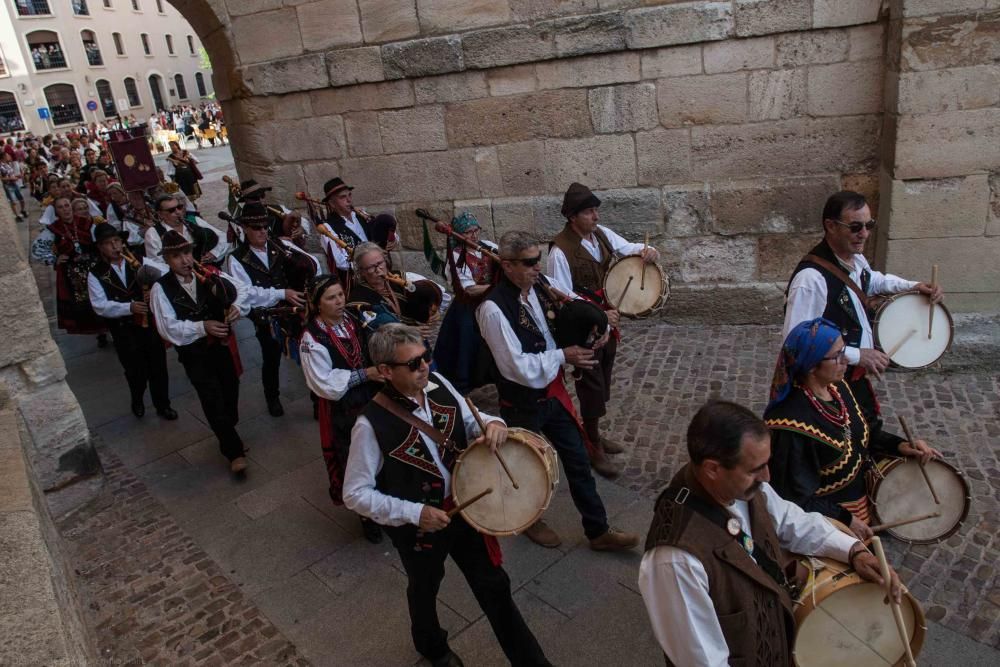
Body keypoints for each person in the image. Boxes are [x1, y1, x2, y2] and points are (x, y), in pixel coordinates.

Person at [343, 324, 550, 667]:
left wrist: (493, 423)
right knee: (425, 586)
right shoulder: (369, 425)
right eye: (413, 364)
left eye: (426, 356)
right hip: (420, 528)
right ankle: (431, 646)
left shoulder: (440, 385)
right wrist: (415, 513)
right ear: (385, 371)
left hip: (467, 512)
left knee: (495, 587)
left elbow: (473, 421)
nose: (424, 366)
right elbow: (355, 493)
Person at [638, 400, 904, 667]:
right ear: (713, 469)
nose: (766, 476)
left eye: (767, 464)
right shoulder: (674, 561)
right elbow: (703, 662)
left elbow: (790, 520)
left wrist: (853, 550)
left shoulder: (743, 485)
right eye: (755, 469)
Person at [476, 230, 639, 550]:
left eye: (539, 259)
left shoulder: (538, 287)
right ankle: (528, 519)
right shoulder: (492, 310)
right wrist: (564, 356)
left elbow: (572, 304)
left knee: (578, 460)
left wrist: (600, 322)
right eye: (529, 262)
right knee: (525, 467)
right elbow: (516, 367)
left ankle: (598, 530)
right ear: (507, 266)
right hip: (521, 402)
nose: (538, 267)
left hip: (552, 393)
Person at [764, 318, 941, 540]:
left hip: (860, 507)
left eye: (844, 351)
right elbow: (792, 497)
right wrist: (845, 519)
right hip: (825, 526)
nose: (845, 360)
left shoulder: (838, 387)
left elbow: (866, 433)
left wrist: (901, 445)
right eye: (837, 356)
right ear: (811, 365)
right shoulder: (789, 425)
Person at [782, 190, 944, 415]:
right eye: (856, 227)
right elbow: (797, 343)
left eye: (870, 225)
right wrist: (859, 355)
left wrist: (913, 286)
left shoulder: (854, 258)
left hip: (849, 378)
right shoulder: (811, 280)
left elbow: (871, 280)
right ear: (831, 225)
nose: (865, 234)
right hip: (825, 386)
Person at [547, 182, 660, 476]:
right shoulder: (560, 251)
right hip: (583, 327)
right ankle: (592, 445)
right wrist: (598, 314)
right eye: (589, 212)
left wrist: (648, 251)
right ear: (572, 216)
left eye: (596, 210)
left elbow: (629, 248)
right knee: (591, 385)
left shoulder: (601, 235)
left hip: (607, 321)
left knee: (604, 380)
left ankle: (593, 431)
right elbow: (561, 295)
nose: (596, 217)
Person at [150, 231, 250, 474]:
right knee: (211, 398)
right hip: (194, 355)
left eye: (186, 253)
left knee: (230, 389)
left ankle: (228, 428)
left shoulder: (209, 274)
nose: (184, 260)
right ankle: (233, 451)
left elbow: (242, 289)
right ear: (167, 260)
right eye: (176, 256)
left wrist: (236, 307)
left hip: (221, 348)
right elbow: (168, 328)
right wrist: (201, 327)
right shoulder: (160, 289)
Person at [300, 276, 382, 542]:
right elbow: (325, 384)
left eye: (340, 295)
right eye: (330, 298)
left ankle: (387, 502)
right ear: (317, 304)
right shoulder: (311, 339)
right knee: (356, 459)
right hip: (342, 409)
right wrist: (365, 374)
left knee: (383, 449)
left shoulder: (354, 319)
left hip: (371, 398)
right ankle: (367, 516)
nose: (339, 302)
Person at [225, 202, 312, 417]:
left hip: (295, 310)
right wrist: (282, 293)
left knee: (309, 353)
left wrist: (301, 265)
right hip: (266, 316)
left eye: (265, 226)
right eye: (256, 228)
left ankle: (317, 398)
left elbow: (312, 264)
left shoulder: (280, 245)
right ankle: (272, 397)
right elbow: (246, 292)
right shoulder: (236, 258)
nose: (262, 231)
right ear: (245, 229)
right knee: (271, 357)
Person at [87, 223, 176, 420]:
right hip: (123, 330)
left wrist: (154, 290)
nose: (115, 247)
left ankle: (163, 405)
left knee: (158, 366)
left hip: (148, 326)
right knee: (135, 370)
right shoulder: (96, 273)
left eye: (117, 241)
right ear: (100, 247)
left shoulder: (137, 260)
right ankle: (137, 399)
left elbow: (163, 273)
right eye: (109, 243)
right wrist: (128, 307)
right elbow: (99, 305)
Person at [432, 211, 498, 393]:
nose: (474, 235)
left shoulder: (489, 247)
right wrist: (496, 287)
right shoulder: (456, 256)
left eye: (476, 230)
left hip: (493, 302)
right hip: (468, 307)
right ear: (460, 235)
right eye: (469, 232)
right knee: (467, 344)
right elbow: (469, 289)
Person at [48, 196, 107, 339]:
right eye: (60, 207)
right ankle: (100, 333)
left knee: (102, 294)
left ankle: (111, 325)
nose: (65, 209)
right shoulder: (53, 229)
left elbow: (100, 240)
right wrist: (55, 259)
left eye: (67, 205)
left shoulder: (86, 222)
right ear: (56, 211)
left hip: (93, 266)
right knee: (85, 301)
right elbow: (39, 249)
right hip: (73, 273)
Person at [145, 193, 229, 266]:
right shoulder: (153, 233)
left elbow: (224, 238)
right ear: (160, 214)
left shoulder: (195, 221)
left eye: (179, 207)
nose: (178, 212)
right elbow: (158, 265)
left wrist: (214, 253)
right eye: (171, 210)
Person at [0, 151, 28, 220]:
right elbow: (1, 178)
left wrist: (17, 176)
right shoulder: (0, 166)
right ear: (3, 157)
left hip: (14, 183)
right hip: (8, 185)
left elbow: (10, 174)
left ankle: (22, 210)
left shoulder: (8, 164)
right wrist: (11, 178)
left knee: (21, 198)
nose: (9, 156)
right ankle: (17, 215)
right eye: (7, 155)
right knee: (13, 201)